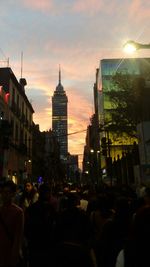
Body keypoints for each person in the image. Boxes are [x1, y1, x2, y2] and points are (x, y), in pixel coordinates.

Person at [0, 180, 24, 267]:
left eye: (8, 192)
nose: (5, 195)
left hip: (10, 252)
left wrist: (15, 255)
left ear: (13, 194)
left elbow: (18, 235)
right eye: (3, 192)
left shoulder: (18, 212)